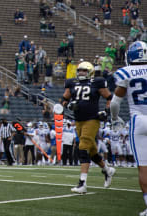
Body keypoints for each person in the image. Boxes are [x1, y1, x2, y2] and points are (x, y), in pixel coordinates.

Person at [61, 61, 115, 194]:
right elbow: (63, 100)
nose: (81, 73)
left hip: (92, 119)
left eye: (84, 71)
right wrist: (68, 106)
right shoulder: (71, 83)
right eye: (79, 70)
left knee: (83, 147)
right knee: (91, 151)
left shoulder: (97, 82)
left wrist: (106, 111)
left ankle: (82, 183)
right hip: (78, 120)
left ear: (89, 72)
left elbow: (110, 97)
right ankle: (107, 170)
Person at [110, 41, 147, 215]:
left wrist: (115, 118)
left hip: (139, 121)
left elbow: (115, 103)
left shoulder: (125, 72)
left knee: (144, 167)